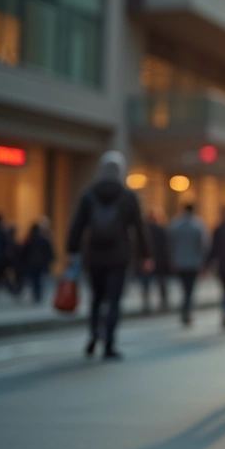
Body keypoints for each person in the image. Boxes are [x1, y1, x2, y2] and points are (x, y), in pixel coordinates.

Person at [66, 151, 152, 360]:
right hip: (119, 257)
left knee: (96, 299)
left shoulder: (89, 194)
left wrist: (72, 250)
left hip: (94, 256)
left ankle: (94, 333)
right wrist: (146, 255)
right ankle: (109, 344)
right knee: (114, 301)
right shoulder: (128, 196)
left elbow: (77, 225)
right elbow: (139, 227)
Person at [168, 204, 207, 327]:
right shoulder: (198, 225)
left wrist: (172, 259)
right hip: (194, 263)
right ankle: (187, 311)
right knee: (190, 289)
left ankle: (185, 310)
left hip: (180, 262)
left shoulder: (176, 224)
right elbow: (203, 245)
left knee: (184, 288)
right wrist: (203, 263)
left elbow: (170, 243)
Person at [138, 210, 171, 313]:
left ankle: (147, 304)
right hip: (157, 260)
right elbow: (165, 247)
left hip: (148, 260)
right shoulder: (160, 230)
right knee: (159, 283)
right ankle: (163, 303)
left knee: (147, 284)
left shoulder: (145, 230)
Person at [20, 218, 56, 303]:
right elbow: (49, 251)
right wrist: (51, 260)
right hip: (41, 263)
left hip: (32, 262)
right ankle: (38, 294)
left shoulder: (30, 239)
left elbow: (24, 251)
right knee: (39, 279)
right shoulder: (43, 239)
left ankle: (36, 294)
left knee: (34, 279)